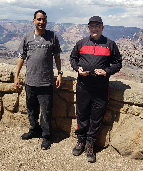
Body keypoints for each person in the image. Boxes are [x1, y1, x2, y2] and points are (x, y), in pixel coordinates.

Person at [70, 16, 122, 162]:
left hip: (100, 88)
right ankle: (80, 141)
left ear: (102, 27)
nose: (94, 28)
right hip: (83, 86)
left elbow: (118, 63)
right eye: (91, 26)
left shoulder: (110, 44)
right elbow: (73, 58)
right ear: (88, 28)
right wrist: (77, 68)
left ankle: (90, 144)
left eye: (97, 26)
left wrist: (106, 71)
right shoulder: (81, 43)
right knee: (82, 115)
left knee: (96, 118)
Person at [14, 10, 63, 150]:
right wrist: (16, 76)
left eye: (44, 20)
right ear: (34, 21)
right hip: (30, 81)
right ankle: (34, 130)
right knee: (31, 110)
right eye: (39, 19)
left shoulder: (52, 36)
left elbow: (57, 56)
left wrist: (59, 73)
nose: (42, 22)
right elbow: (21, 57)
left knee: (46, 112)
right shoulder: (27, 37)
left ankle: (46, 136)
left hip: (46, 82)